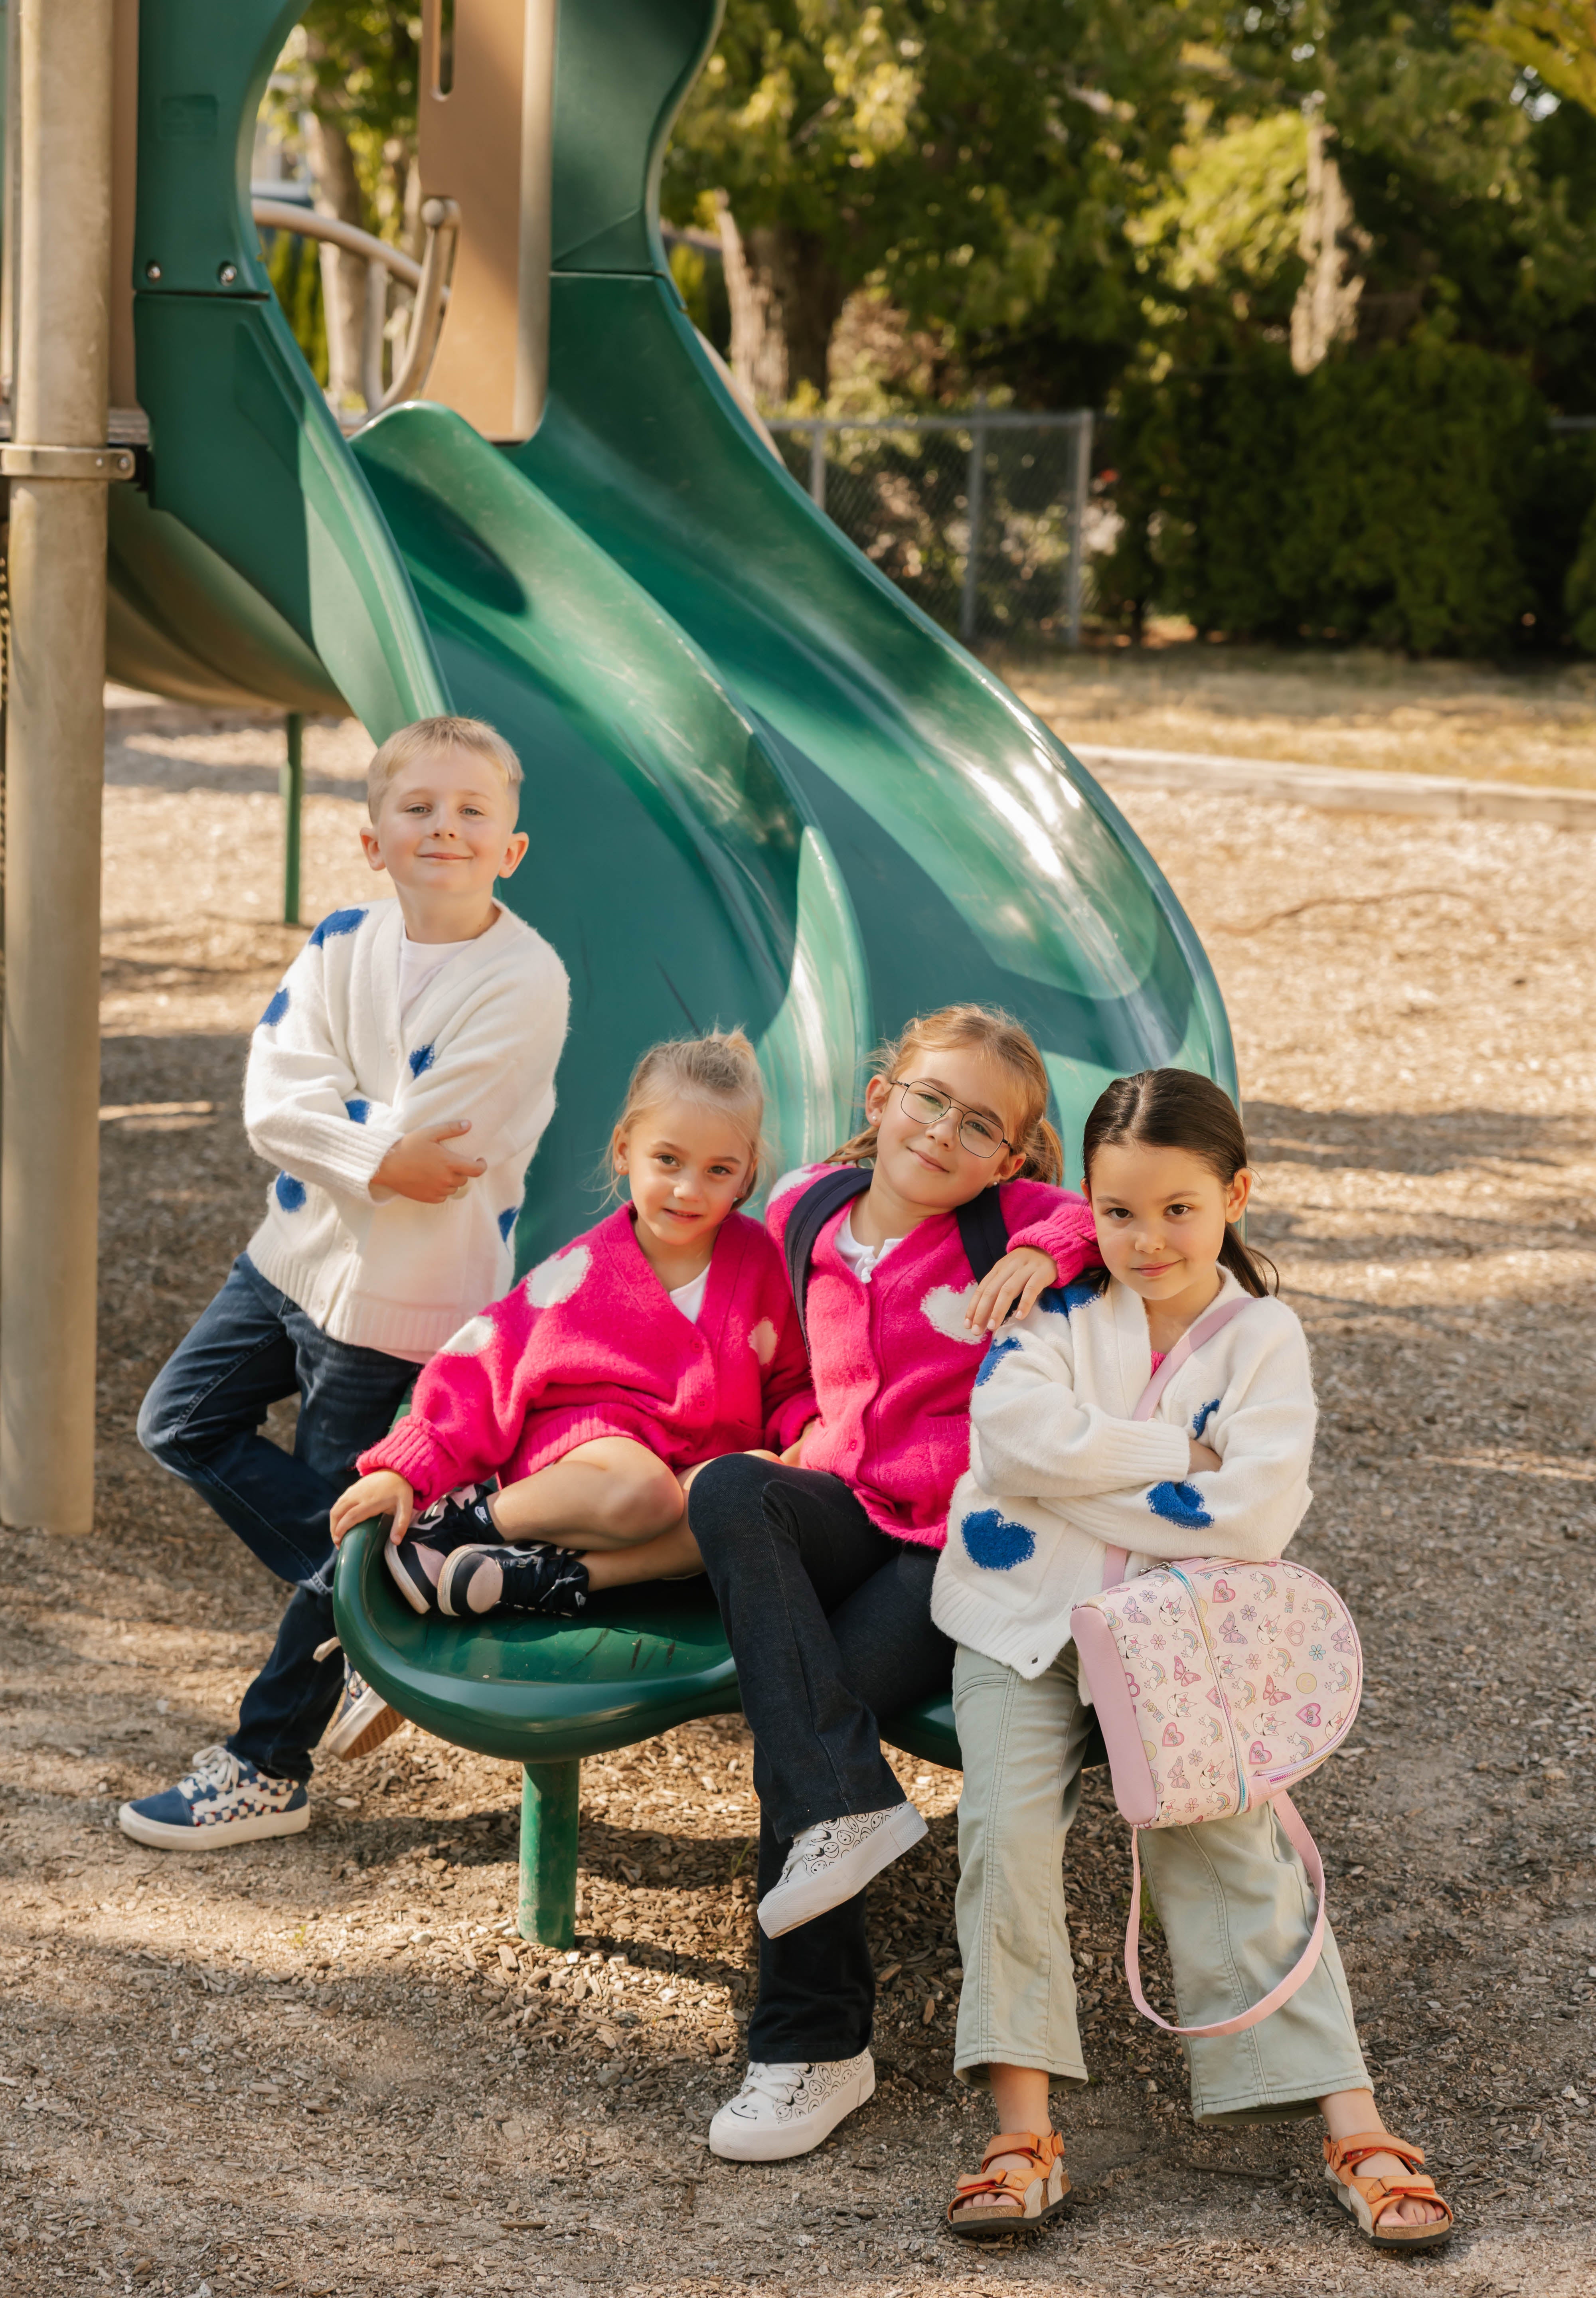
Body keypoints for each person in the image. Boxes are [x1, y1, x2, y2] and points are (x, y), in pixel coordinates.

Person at [930, 1068, 1452, 2252]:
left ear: (1236, 1197)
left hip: (1181, 1639)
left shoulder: (1266, 1338)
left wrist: (1095, 1480)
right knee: (1003, 1834)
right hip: (1018, 1618)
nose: (1146, 1238)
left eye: (1179, 1209)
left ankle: (1352, 2119)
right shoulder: (1056, 1299)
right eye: (1118, 1212)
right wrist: (1180, 1457)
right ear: (1087, 1208)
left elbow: (1255, 1518)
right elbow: (1011, 1445)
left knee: (1228, 1834)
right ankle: (1023, 2129)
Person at [121, 715, 569, 1851]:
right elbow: (274, 1099)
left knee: (343, 1504)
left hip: (401, 1308)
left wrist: (348, 1130)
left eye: (474, 811)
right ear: (373, 840)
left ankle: (268, 1763)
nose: (445, 828)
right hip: (287, 1264)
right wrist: (373, 1151)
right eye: (417, 808)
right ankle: (384, 1603)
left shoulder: (527, 979)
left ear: (512, 848)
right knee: (180, 1420)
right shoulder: (338, 944)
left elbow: (441, 1141)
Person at [685, 1004, 1101, 2161]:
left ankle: (810, 2046)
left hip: (962, 1541)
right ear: (882, 1098)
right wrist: (785, 1432)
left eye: (979, 1126)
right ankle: (851, 1802)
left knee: (808, 1713)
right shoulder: (808, 1206)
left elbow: (1118, 1223)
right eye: (929, 1099)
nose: (944, 1132)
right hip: (852, 1501)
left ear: (1009, 1158)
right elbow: (773, 1358)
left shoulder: (1009, 1220)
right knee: (729, 1490)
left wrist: (1045, 1249)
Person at [330, 1030, 814, 1610]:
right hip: (591, 1470)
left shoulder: (761, 1265)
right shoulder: (580, 1275)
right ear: (623, 1150)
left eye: (718, 1171)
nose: (688, 1189)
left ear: (748, 1175)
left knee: (753, 1483)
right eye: (668, 1160)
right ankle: (464, 1527)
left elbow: (791, 1384)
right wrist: (406, 1471)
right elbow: (481, 1371)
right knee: (644, 1489)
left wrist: (807, 1433)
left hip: (680, 1491)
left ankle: (553, 1580)